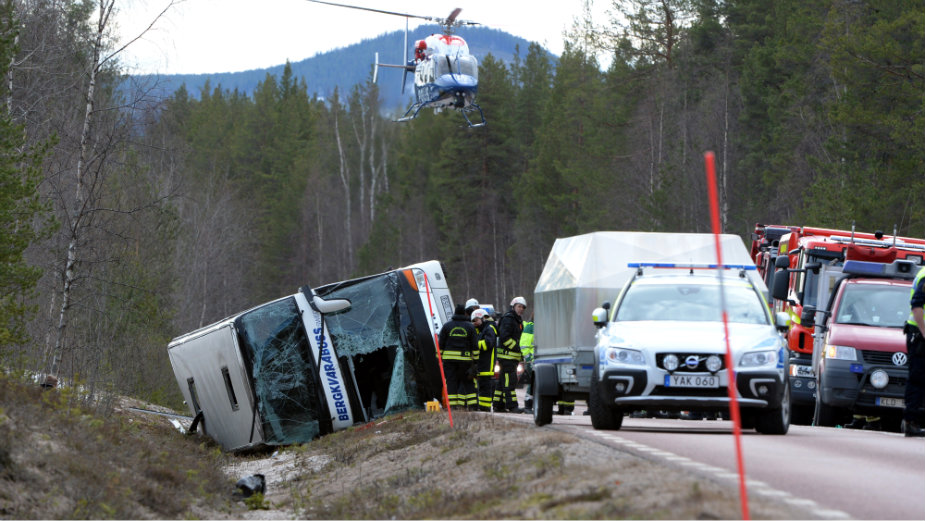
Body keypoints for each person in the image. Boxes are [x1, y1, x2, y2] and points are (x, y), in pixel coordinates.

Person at [438, 303, 478, 410]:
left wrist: (439, 359)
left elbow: (440, 344)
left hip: (449, 361)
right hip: (465, 361)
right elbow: (475, 345)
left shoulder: (447, 326)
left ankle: (452, 406)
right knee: (468, 382)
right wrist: (475, 362)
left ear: (455, 313)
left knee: (451, 382)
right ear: (465, 313)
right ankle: (473, 406)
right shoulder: (470, 327)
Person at [903, 266, 925, 437]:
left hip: (919, 333)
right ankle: (911, 422)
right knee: (917, 378)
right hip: (919, 335)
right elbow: (917, 307)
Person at [495, 296, 526, 413]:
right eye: (519, 306)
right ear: (513, 307)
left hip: (511, 357)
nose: (521, 309)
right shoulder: (509, 319)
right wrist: (516, 347)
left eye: (523, 307)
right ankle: (512, 405)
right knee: (509, 381)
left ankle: (498, 405)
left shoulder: (517, 320)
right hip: (507, 357)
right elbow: (504, 337)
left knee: (502, 382)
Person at [472, 308, 498, 412]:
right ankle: (483, 406)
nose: (475, 323)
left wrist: (475, 345)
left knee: (485, 386)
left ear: (483, 318)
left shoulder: (489, 328)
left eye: (476, 320)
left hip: (487, 362)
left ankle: (485, 406)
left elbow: (488, 343)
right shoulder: (484, 328)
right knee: (483, 385)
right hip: (483, 362)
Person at [520, 317, 535, 412]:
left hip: (539, 359)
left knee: (534, 383)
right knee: (533, 382)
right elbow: (524, 344)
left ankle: (530, 404)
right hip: (532, 360)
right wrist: (528, 357)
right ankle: (528, 405)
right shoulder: (530, 327)